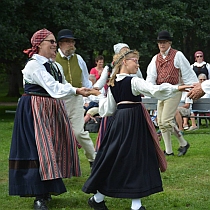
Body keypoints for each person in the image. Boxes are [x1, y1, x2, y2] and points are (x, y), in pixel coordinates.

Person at [82, 49, 192, 210]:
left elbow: (109, 110)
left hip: (120, 122)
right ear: (125, 62)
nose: (138, 64)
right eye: (135, 60)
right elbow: (154, 90)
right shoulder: (132, 81)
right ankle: (117, 201)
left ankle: (103, 199)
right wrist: (177, 88)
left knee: (119, 158)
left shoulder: (114, 83)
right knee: (135, 158)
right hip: (131, 122)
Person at [9, 28, 91, 210]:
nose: (55, 45)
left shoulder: (55, 66)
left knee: (52, 149)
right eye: (51, 42)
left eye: (55, 42)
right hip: (34, 109)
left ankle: (47, 191)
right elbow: (51, 85)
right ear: (39, 45)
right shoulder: (33, 65)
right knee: (38, 149)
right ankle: (38, 195)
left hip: (52, 108)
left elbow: (63, 85)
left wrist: (81, 90)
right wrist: (76, 90)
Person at [146, 30, 198, 156]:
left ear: (169, 43)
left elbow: (187, 73)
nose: (161, 45)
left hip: (175, 90)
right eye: (160, 42)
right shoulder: (155, 58)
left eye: (164, 42)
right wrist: (149, 90)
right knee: (161, 123)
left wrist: (193, 90)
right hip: (162, 92)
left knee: (166, 121)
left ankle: (183, 142)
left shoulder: (177, 55)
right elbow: (151, 77)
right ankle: (169, 151)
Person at [56, 29, 95, 167]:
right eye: (68, 41)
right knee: (58, 134)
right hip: (57, 100)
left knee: (79, 132)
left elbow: (85, 81)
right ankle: (61, 165)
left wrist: (91, 96)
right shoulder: (52, 59)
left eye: (72, 41)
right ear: (60, 44)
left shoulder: (78, 59)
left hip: (76, 99)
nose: (71, 44)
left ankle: (93, 159)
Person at [94, 43, 143, 151]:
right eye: (123, 51)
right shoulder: (110, 66)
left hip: (131, 94)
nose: (126, 53)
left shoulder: (133, 65)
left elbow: (140, 79)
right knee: (112, 124)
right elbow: (102, 80)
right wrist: (95, 88)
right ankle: (107, 149)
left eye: (127, 50)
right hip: (116, 95)